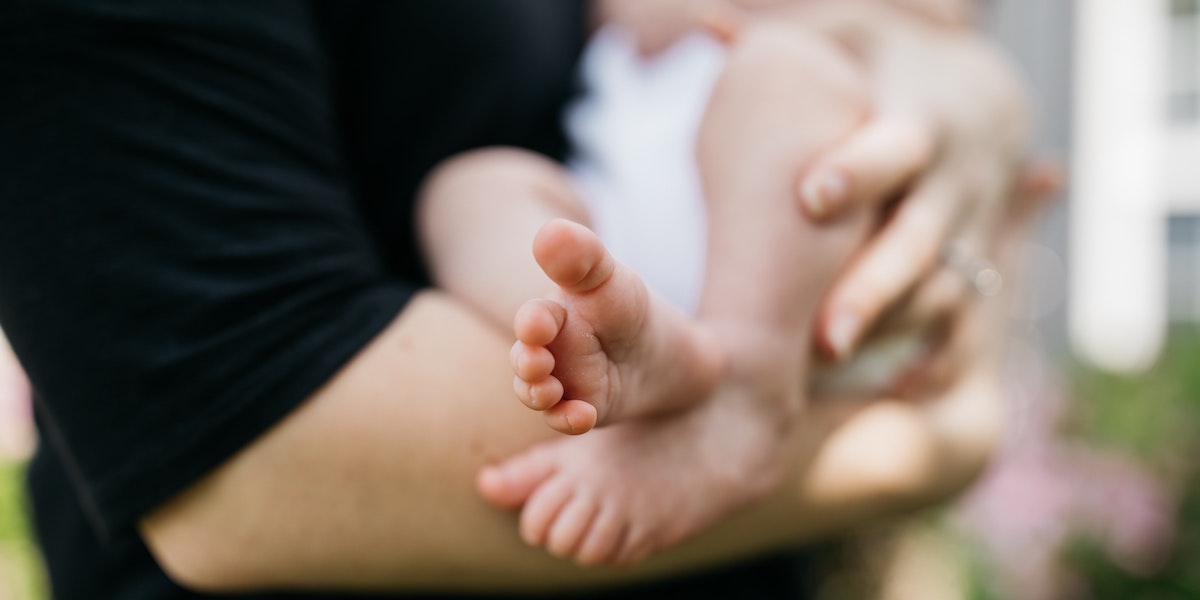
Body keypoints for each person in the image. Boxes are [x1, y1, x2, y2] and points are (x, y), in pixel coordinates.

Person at [0, 0, 1031, 597]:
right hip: (638, 232)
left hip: (793, 254)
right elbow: (248, 459)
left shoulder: (780, 52)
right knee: (476, 187)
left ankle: (739, 388)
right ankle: (631, 348)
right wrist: (943, 434)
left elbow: (939, 44)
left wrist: (969, 87)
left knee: (784, 79)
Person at [418, 14, 899, 566]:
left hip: (786, 278)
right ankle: (588, 325)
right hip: (617, 241)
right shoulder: (613, 57)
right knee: (466, 187)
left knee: (787, 68)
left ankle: (745, 398)